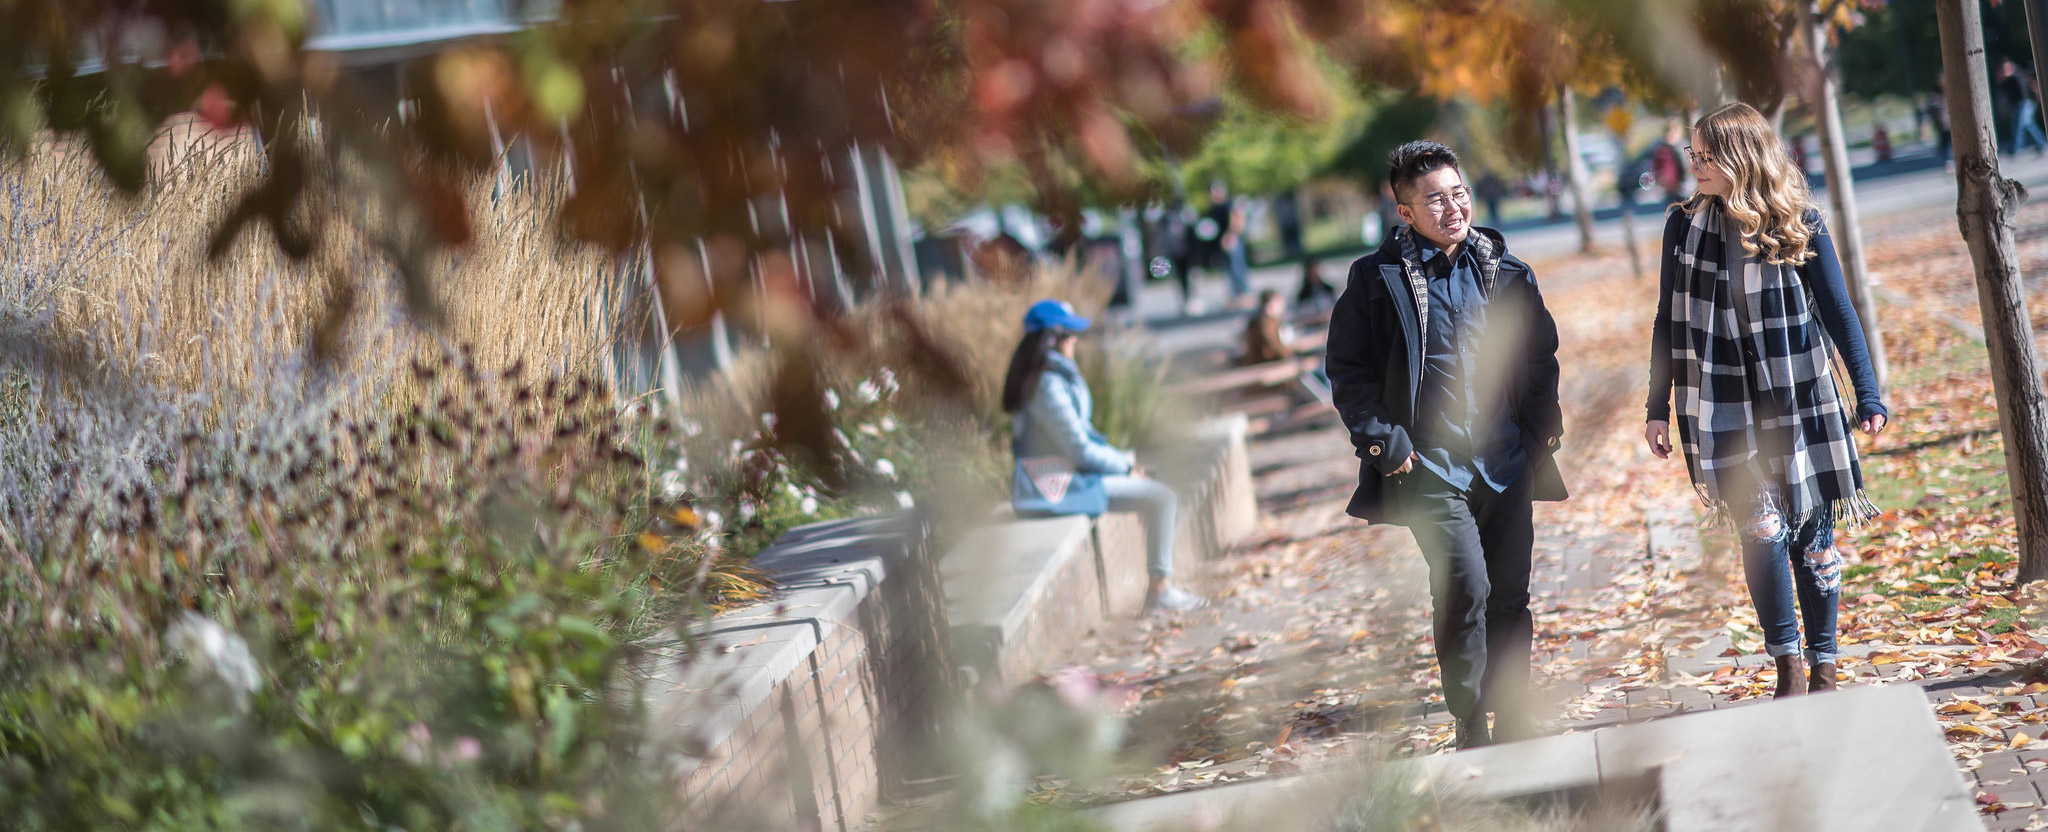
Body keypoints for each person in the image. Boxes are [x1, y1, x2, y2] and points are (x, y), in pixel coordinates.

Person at [1326, 141, 1566, 749]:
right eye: (1434, 198)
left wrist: (1541, 429)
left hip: (1506, 462)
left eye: (1458, 192)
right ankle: (1469, 720)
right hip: (1429, 467)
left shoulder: (1505, 269)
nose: (1453, 207)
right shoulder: (1374, 281)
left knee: (1510, 592)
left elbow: (1540, 356)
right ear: (1404, 211)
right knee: (1466, 587)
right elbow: (1347, 371)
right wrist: (1386, 442)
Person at [1645, 102, 1889, 699]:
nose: (1694, 166)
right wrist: (1657, 406)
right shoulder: (1683, 226)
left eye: (1706, 157)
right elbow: (1667, 323)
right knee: (1759, 527)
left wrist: (1869, 391)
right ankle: (1788, 666)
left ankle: (1825, 661)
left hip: (1800, 398)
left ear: (1741, 157)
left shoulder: (1798, 220)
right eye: (1693, 155)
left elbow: (1837, 310)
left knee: (1812, 531)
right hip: (1722, 402)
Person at [1004, 300, 1207, 615]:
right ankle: (1160, 592)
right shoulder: (1046, 384)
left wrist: (1124, 466)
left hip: (1065, 475)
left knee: (1155, 490)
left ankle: (1160, 586)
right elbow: (1079, 448)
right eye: (1069, 334)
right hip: (1055, 485)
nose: (1075, 341)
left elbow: (1081, 439)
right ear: (1052, 338)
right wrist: (1125, 468)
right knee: (1162, 497)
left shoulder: (1049, 376)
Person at [2002, 61, 2048, 156]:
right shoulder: (2011, 79)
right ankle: (2042, 144)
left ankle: (2015, 148)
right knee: (2028, 125)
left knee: (2018, 126)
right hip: (2022, 104)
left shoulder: (2017, 76)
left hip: (2024, 104)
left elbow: (2023, 92)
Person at [1242, 289, 1294, 365]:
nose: (1282, 306)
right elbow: (1274, 346)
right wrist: (1290, 355)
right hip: (1263, 365)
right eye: (1279, 303)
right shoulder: (1265, 323)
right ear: (1270, 305)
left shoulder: (1267, 320)